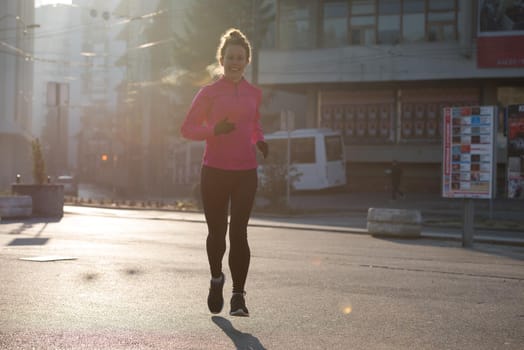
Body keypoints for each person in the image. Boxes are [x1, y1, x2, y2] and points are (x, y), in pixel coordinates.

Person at [180, 28, 268, 317]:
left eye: (240, 57)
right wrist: (213, 130)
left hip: (245, 172)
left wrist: (260, 140)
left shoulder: (254, 94)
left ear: (247, 60)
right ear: (222, 59)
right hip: (215, 171)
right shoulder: (208, 93)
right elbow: (187, 129)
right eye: (230, 57)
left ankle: (238, 297)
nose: (235, 62)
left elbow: (253, 125)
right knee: (217, 234)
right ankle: (216, 279)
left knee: (239, 233)